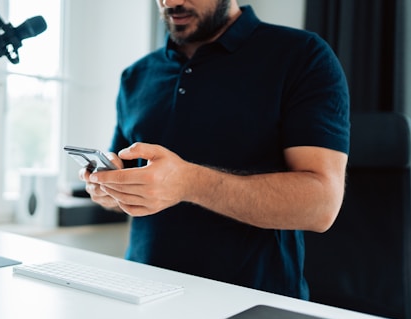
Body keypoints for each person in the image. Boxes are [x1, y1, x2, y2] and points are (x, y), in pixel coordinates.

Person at [79, 0, 350, 300]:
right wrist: (108, 189)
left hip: (254, 309)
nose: (171, 2)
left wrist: (189, 183)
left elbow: (322, 204)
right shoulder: (136, 76)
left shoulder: (303, 56)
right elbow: (130, 184)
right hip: (143, 295)